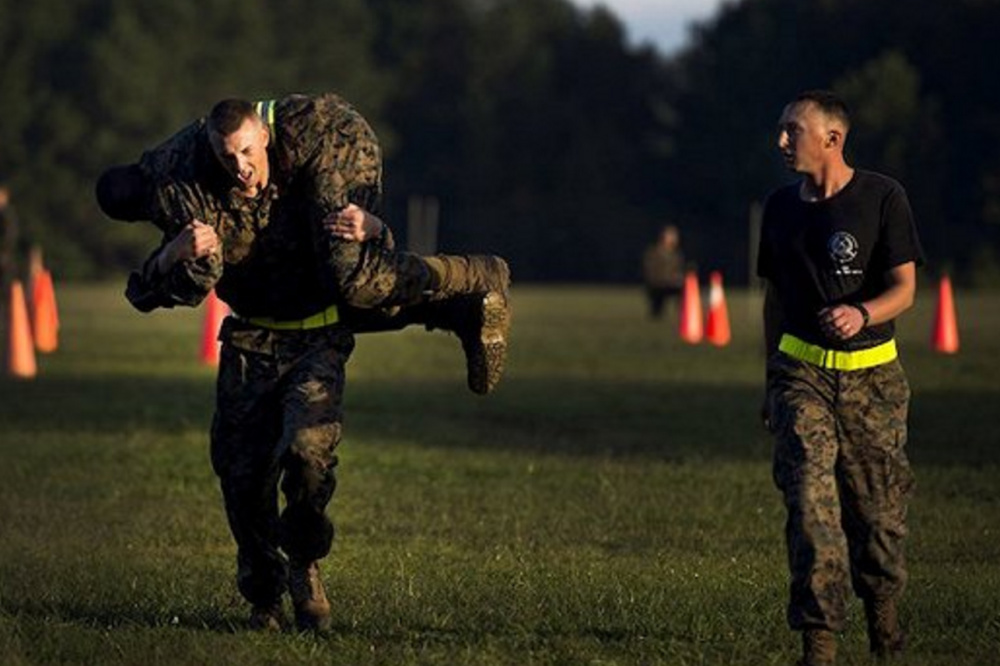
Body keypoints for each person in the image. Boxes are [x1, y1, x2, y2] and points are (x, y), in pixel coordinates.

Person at [102, 94, 510, 633]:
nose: (240, 168)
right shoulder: (187, 186)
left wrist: (376, 229)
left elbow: (362, 245)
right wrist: (174, 252)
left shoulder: (317, 143)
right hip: (252, 339)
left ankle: (471, 282)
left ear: (265, 137)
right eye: (228, 159)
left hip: (318, 337)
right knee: (241, 478)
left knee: (307, 451)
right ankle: (263, 597)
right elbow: (161, 291)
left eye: (247, 152)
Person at [758, 90, 923, 666]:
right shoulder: (779, 208)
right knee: (809, 506)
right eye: (780, 130)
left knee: (877, 515)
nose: (781, 141)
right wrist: (769, 378)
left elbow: (904, 287)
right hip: (800, 375)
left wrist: (863, 312)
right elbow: (775, 299)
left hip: (873, 381)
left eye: (792, 130)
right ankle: (819, 644)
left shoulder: (882, 197)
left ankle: (883, 621)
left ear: (832, 138)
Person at [641, 224, 685, 319]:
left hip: (672, 285)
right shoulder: (654, 252)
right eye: (671, 236)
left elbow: (679, 270)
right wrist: (667, 279)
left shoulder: (677, 254)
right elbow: (650, 271)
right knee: (656, 313)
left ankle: (683, 314)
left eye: (675, 236)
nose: (674, 239)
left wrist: (678, 278)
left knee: (684, 289)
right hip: (657, 284)